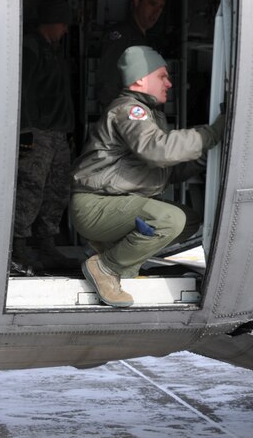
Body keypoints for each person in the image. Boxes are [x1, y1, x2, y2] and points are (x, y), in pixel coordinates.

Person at [70, 45, 225, 307]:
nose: (169, 83)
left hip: (114, 204)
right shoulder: (129, 110)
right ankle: (106, 267)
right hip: (95, 206)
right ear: (140, 79)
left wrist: (202, 157)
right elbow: (158, 151)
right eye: (162, 76)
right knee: (169, 219)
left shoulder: (150, 115)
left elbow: (162, 171)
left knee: (188, 220)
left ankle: (120, 263)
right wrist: (211, 134)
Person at [12, 0, 75, 275]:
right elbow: (21, 91)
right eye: (63, 24)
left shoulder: (52, 49)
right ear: (53, 23)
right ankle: (19, 245)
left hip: (57, 134)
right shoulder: (31, 47)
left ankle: (45, 242)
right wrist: (25, 134)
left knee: (56, 189)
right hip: (36, 132)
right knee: (30, 187)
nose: (65, 30)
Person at [95, 0, 167, 108]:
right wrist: (117, 116)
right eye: (152, 3)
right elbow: (107, 82)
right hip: (125, 116)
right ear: (136, 1)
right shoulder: (121, 36)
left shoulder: (145, 39)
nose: (156, 12)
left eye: (160, 7)